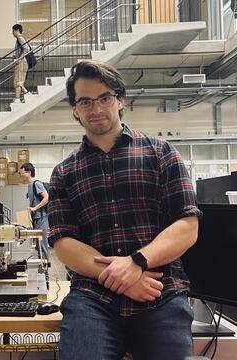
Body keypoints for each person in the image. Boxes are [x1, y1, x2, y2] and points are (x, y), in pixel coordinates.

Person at [48, 60, 202, 360]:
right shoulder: (65, 172)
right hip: (93, 298)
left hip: (160, 291)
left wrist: (137, 263)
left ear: (120, 100)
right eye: (85, 101)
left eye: (105, 97)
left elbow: (187, 225)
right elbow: (63, 243)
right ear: (74, 109)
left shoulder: (161, 153)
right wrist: (118, 274)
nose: (95, 108)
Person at [19, 163, 49, 261]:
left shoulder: (37, 184)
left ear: (29, 172)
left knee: (42, 244)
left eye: (22, 173)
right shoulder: (29, 185)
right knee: (38, 245)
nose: (21, 175)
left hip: (41, 217)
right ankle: (42, 266)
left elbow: (46, 197)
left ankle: (46, 269)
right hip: (35, 218)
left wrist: (35, 208)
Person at [12, 24, 30, 103]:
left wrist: (19, 58)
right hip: (22, 62)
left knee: (18, 81)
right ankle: (27, 94)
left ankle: (17, 99)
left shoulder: (20, 38)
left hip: (22, 62)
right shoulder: (19, 39)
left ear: (17, 30)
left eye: (13, 31)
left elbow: (26, 48)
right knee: (19, 81)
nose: (12, 33)